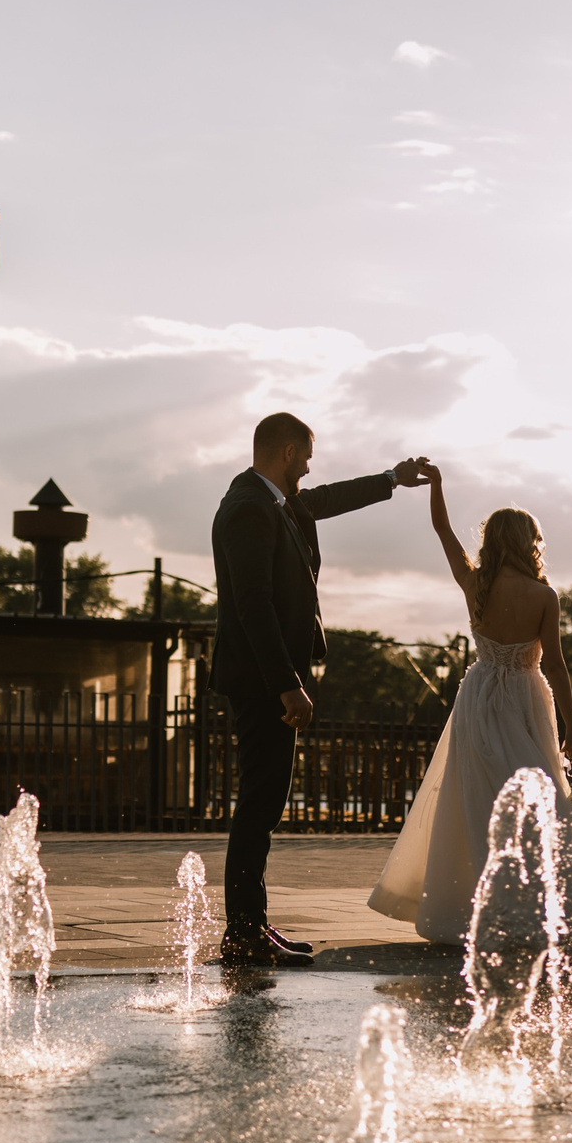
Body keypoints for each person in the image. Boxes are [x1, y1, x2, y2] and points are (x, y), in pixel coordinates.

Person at [367, 466, 572, 953]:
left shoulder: (475, 584)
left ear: (492, 541)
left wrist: (439, 486)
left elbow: (442, 532)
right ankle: (557, 908)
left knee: (477, 803)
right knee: (540, 804)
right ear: (530, 542)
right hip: (527, 699)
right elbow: (558, 666)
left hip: (479, 695)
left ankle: (480, 906)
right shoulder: (543, 596)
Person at [210, 411, 430, 966]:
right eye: (305, 458)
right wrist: (286, 686)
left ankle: (251, 922)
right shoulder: (248, 509)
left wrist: (391, 479)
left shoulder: (274, 502)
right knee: (259, 802)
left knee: (266, 801)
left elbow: (326, 499)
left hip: (273, 676)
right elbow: (252, 604)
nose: (309, 469)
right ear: (286, 452)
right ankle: (242, 932)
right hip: (264, 681)